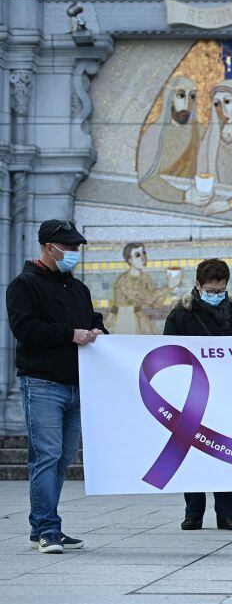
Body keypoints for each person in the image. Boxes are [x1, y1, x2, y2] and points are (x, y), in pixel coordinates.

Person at [7, 220, 106, 553]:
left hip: (77, 384)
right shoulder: (24, 285)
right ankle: (49, 528)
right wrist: (70, 334)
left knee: (62, 458)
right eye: (70, 247)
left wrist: (97, 330)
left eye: (77, 247)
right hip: (42, 383)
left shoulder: (76, 288)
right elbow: (25, 329)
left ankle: (43, 526)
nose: (75, 253)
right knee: (46, 457)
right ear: (49, 247)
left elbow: (90, 319)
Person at [163, 258, 232, 531]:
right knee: (193, 453)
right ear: (198, 285)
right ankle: (194, 512)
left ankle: (227, 512)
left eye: (220, 291)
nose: (216, 296)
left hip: (228, 396)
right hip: (191, 395)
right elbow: (169, 353)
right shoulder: (180, 315)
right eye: (210, 291)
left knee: (223, 453)